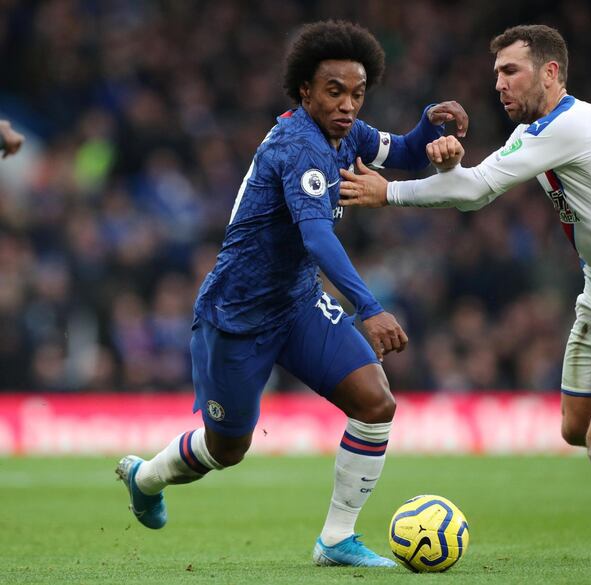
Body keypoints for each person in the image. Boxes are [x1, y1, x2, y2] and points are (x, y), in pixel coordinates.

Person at [339, 24, 591, 562]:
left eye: (510, 71)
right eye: (496, 73)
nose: (498, 84)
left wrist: (390, 193)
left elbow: (475, 192)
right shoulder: (549, 128)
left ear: (550, 73)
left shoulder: (569, 126)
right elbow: (471, 181)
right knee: (576, 427)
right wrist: (451, 168)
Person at [115, 20, 468, 568]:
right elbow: (317, 236)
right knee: (227, 448)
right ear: (304, 91)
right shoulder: (297, 146)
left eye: (357, 93)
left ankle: (335, 540)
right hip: (237, 315)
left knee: (376, 403)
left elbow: (402, 150)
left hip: (296, 302)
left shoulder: (343, 131)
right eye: (334, 92)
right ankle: (146, 477)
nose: (348, 104)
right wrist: (368, 308)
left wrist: (430, 125)